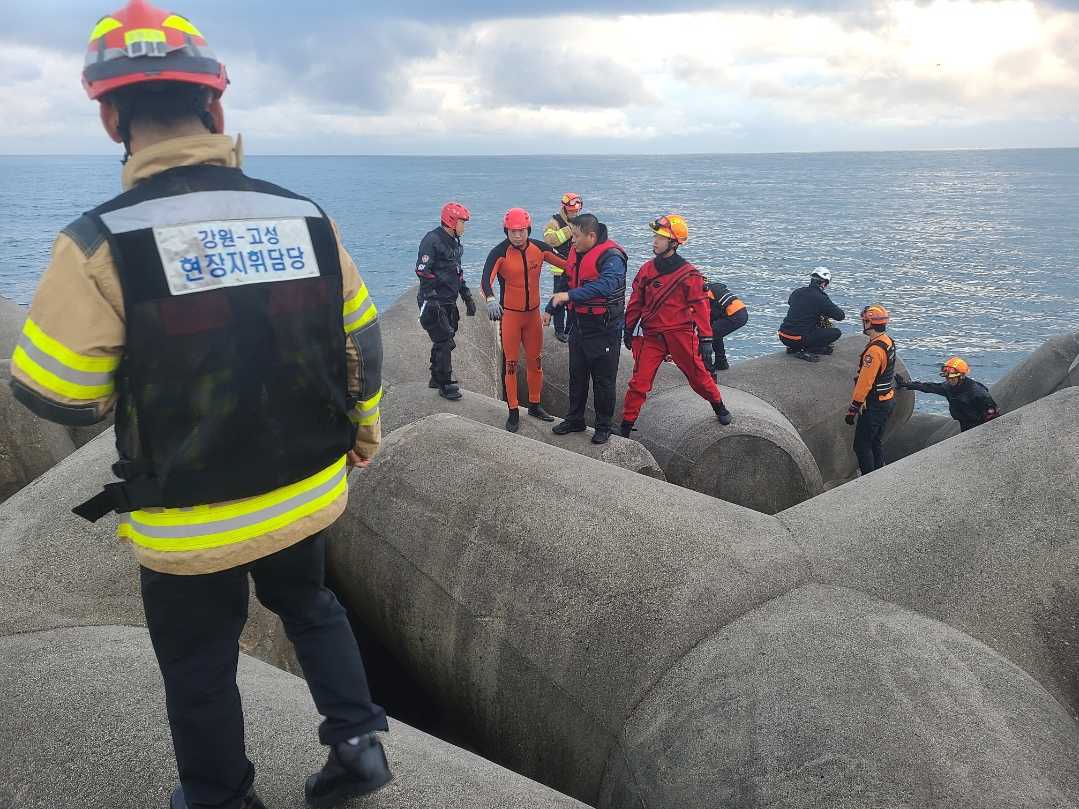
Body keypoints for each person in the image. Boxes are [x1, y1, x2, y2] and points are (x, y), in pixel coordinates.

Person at [9, 3, 391, 807]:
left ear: (110, 116)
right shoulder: (304, 216)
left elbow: (58, 394)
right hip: (303, 484)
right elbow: (362, 333)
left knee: (199, 662)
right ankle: (358, 742)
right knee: (310, 603)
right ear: (214, 104)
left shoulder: (98, 242)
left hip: (190, 515)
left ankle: (219, 795)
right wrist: (364, 428)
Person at [619, 215, 733, 437]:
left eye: (660, 237)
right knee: (639, 383)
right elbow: (636, 302)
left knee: (698, 377)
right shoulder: (646, 270)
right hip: (651, 336)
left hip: (680, 335)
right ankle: (625, 427)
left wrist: (706, 339)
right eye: (655, 236)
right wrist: (628, 328)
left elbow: (701, 308)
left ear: (673, 243)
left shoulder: (690, 275)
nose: (655, 241)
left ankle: (719, 406)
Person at [543, 213, 627, 445]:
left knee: (603, 380)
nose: (573, 241)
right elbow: (567, 280)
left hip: (604, 329)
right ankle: (575, 419)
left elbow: (606, 285)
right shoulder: (576, 252)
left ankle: (603, 426)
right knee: (576, 375)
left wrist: (569, 296)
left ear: (591, 236)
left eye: (576, 236)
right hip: (579, 325)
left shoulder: (612, 257)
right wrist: (550, 308)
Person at [482, 208, 564, 431]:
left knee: (535, 362)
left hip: (532, 316)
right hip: (511, 317)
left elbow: (568, 264)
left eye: (521, 231)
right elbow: (485, 280)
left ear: (528, 230)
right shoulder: (499, 253)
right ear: (506, 231)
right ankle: (513, 411)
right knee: (511, 364)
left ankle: (535, 405)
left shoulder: (539, 248)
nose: (517, 236)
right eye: (512, 231)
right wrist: (490, 299)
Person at [416, 201, 477, 400]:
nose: (464, 226)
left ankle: (435, 376)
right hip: (434, 301)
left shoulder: (454, 242)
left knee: (446, 339)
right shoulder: (432, 240)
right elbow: (422, 270)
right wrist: (431, 298)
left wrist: (466, 296)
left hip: (449, 300)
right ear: (451, 222)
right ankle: (444, 382)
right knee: (444, 339)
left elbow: (457, 272)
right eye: (462, 222)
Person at [845, 305, 897, 476]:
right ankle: (879, 475)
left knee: (861, 445)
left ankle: (868, 480)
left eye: (864, 321)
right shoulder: (888, 341)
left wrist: (854, 407)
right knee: (875, 441)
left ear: (869, 323)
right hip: (887, 399)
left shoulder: (874, 351)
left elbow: (865, 382)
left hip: (875, 405)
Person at [897, 357, 1000, 431]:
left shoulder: (978, 392)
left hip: (979, 426)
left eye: (952, 378)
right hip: (964, 423)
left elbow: (993, 414)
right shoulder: (948, 387)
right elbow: (928, 387)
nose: (949, 380)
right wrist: (906, 384)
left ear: (961, 376)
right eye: (947, 378)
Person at [778, 267, 845, 362]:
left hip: (783, 336)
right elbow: (840, 316)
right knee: (836, 332)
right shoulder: (821, 298)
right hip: (799, 338)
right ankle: (806, 350)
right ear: (824, 283)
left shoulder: (797, 292)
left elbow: (792, 303)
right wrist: (824, 312)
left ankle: (794, 348)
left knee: (805, 325)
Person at [543, 193, 583, 342]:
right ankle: (559, 331)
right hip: (559, 270)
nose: (574, 213)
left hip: (576, 269)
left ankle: (569, 330)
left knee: (573, 301)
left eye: (576, 210)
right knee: (558, 301)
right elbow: (549, 240)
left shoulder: (581, 221)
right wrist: (569, 230)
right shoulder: (554, 222)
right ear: (565, 208)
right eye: (572, 210)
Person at [705, 280, 748, 373]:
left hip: (734, 315)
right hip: (742, 311)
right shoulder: (713, 286)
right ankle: (721, 363)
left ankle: (707, 369)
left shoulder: (704, 292)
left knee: (706, 337)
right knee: (715, 332)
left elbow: (706, 313)